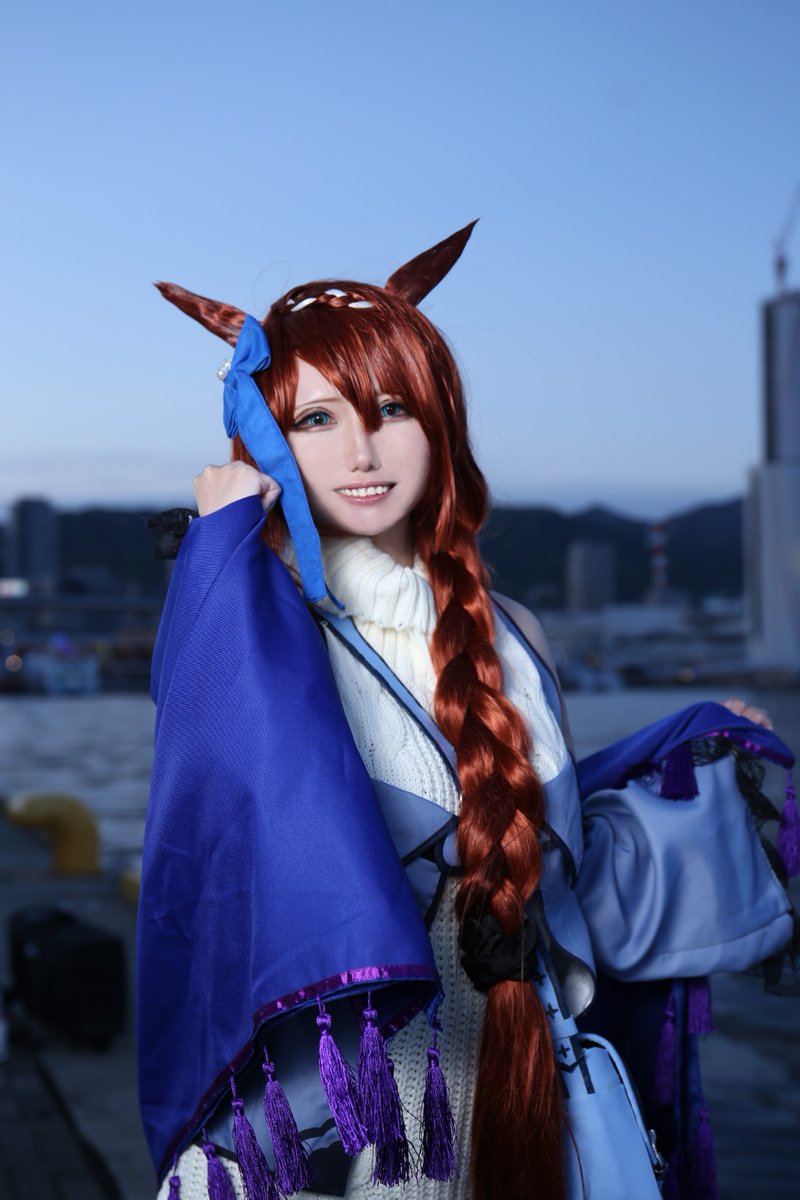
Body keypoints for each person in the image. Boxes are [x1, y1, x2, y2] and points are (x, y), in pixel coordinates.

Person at [138, 223, 797, 1200]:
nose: (361, 450)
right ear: (266, 435)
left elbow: (556, 879)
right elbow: (213, 829)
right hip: (355, 1126)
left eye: (390, 407)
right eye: (315, 418)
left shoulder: (512, 632)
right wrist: (221, 540)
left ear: (437, 419)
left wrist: (707, 776)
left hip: (535, 1096)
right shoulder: (259, 631)